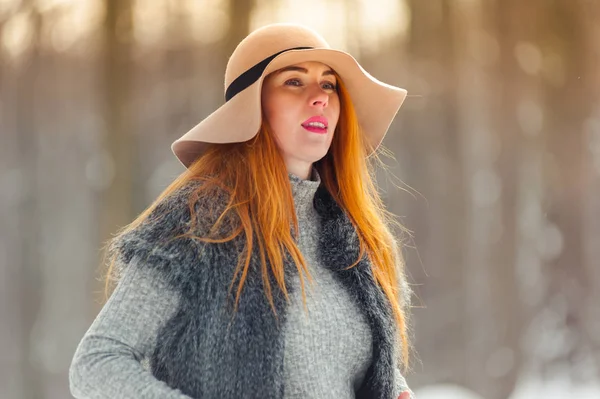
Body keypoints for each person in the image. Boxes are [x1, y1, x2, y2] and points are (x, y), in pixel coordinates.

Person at [69, 23, 415, 399]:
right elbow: (97, 361)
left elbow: (346, 370)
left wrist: (396, 389)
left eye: (329, 84)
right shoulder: (196, 227)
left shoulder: (358, 242)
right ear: (251, 108)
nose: (321, 98)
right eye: (295, 82)